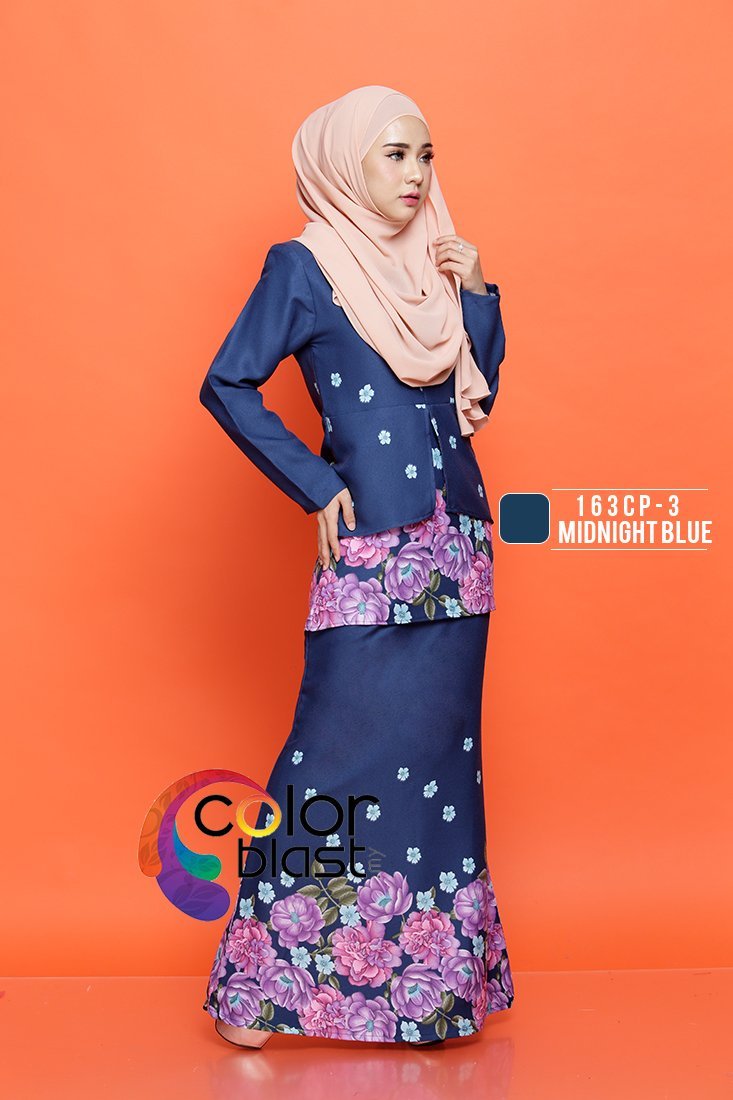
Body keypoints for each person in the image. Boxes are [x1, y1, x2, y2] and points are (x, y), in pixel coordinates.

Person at [199, 85, 515, 1048]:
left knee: (441, 768)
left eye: (425, 155)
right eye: (394, 154)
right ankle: (262, 989)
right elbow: (227, 381)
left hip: (457, 546)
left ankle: (429, 992)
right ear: (345, 160)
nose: (416, 175)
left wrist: (476, 296)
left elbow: (472, 396)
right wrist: (313, 483)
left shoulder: (432, 267)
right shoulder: (304, 267)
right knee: (330, 759)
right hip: (371, 550)